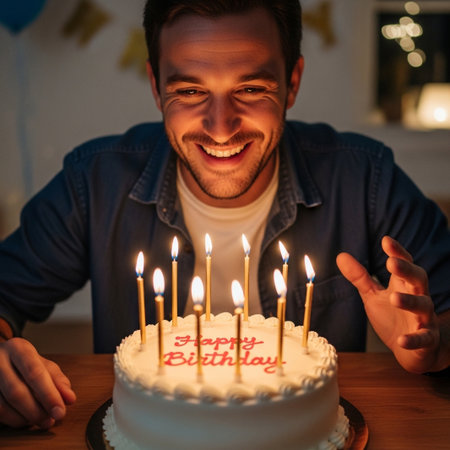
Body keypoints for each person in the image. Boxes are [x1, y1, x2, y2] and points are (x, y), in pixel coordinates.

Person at [0, 0, 449, 430]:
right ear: (156, 87)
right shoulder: (94, 183)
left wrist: (436, 345)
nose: (220, 126)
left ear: (292, 82)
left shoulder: (366, 180)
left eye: (251, 89)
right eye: (191, 90)